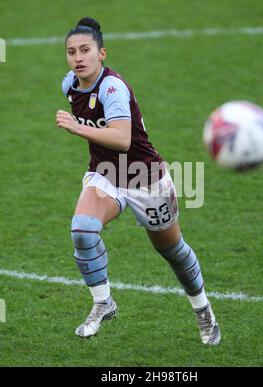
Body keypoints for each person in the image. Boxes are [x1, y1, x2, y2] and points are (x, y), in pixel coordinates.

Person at [56, 17, 221, 345]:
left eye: (85, 50)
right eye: (71, 51)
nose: (78, 57)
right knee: (82, 230)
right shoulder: (69, 85)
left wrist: (78, 127)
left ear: (101, 53)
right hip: (105, 175)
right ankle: (103, 303)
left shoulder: (112, 88)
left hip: (146, 178)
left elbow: (122, 140)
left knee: (172, 250)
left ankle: (203, 309)